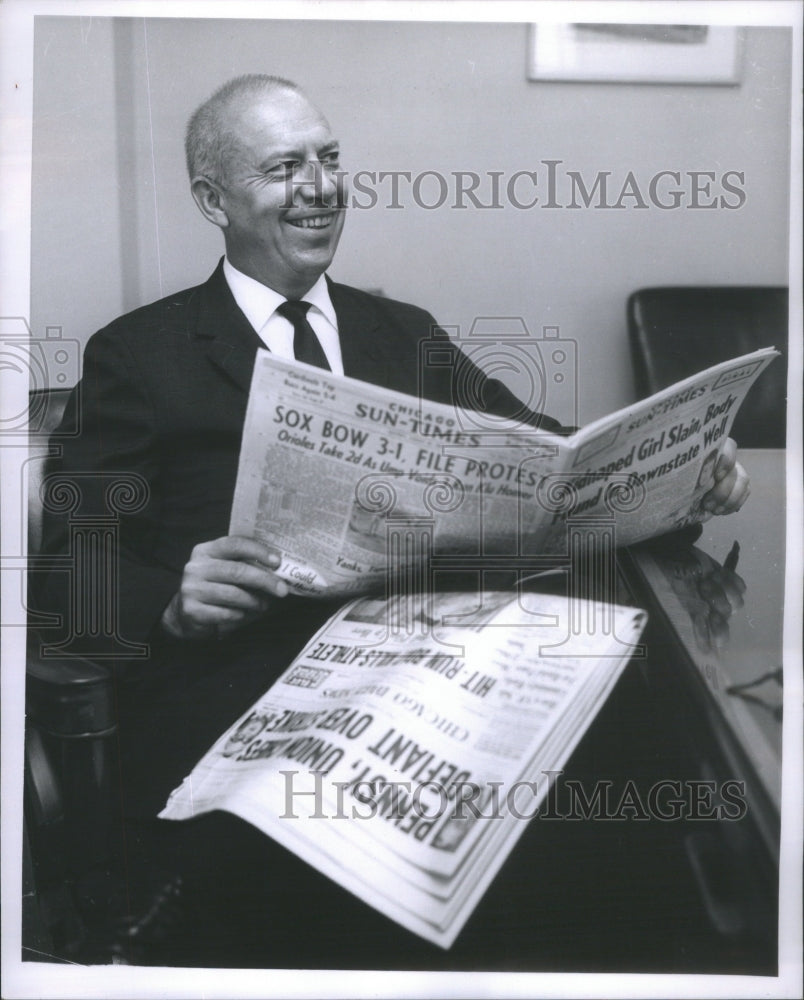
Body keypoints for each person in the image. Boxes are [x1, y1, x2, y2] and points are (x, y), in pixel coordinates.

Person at [35, 74, 751, 965]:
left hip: (429, 662)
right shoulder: (136, 356)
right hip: (235, 685)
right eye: (284, 167)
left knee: (632, 758)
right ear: (212, 200)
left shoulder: (402, 333)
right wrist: (171, 602)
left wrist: (680, 471)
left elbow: (553, 460)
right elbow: (66, 577)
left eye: (330, 159)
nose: (321, 186)